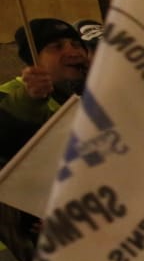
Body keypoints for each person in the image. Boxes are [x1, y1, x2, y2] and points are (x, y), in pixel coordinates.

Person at [0, 19, 89, 163]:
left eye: (77, 45)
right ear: (34, 60)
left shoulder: (91, 92)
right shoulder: (7, 95)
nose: (73, 52)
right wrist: (29, 99)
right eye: (57, 46)